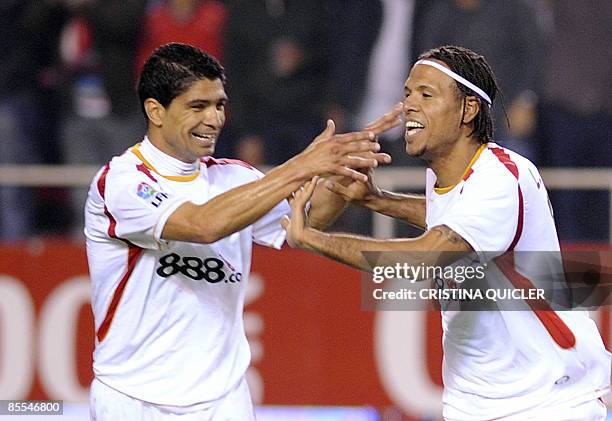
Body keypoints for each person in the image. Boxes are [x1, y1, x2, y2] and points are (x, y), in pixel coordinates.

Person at [282, 45, 611, 420]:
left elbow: (424, 259)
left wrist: (311, 238)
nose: (409, 105)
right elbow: (452, 215)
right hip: (474, 403)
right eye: (407, 94)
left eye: (426, 94)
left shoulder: (500, 178)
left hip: (548, 402)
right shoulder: (450, 180)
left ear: (468, 110)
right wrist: (375, 200)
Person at [84, 43, 400, 420]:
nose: (214, 119)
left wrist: (342, 174)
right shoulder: (122, 181)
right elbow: (203, 225)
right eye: (197, 106)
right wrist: (302, 165)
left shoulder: (233, 177)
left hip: (223, 399)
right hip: (133, 400)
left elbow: (306, 221)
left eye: (219, 104)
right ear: (155, 110)